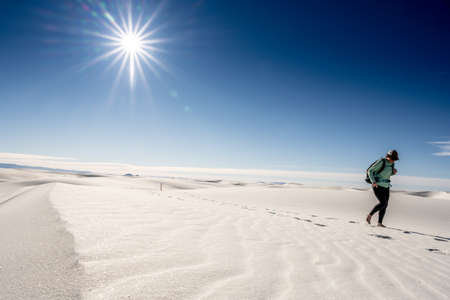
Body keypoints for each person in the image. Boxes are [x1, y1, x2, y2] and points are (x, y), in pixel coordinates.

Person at [366, 150, 399, 227]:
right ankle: (369, 215)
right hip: (377, 185)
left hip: (386, 186)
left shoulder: (392, 164)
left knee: (385, 205)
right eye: (392, 158)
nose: (393, 160)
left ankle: (379, 223)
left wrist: (393, 173)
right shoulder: (382, 161)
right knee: (383, 203)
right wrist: (373, 181)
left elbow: (387, 174)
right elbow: (370, 171)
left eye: (394, 159)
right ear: (388, 156)